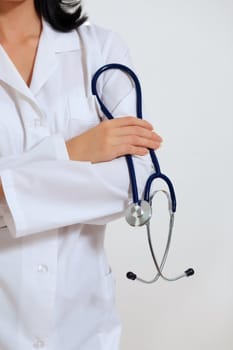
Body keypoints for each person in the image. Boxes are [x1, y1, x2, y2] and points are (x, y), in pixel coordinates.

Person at [0, 0, 162, 349]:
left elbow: (136, 179)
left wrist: (6, 191)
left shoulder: (100, 49)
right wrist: (69, 152)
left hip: (83, 329)